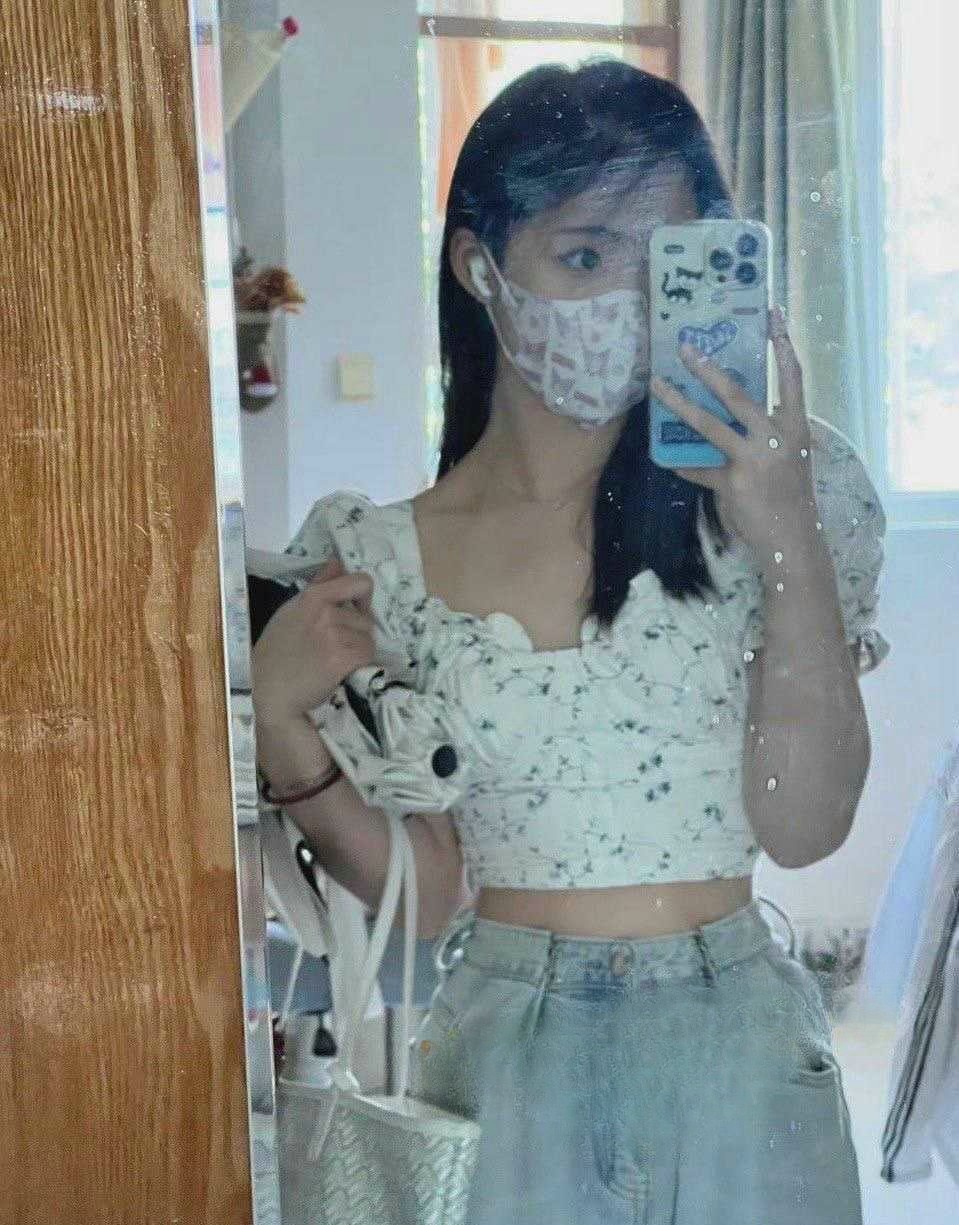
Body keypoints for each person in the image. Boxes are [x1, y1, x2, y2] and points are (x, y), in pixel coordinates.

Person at [253, 61, 884, 1224]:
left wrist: (785, 532)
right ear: (479, 266)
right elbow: (429, 894)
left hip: (737, 1044)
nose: (627, 302)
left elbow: (805, 825)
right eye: (586, 256)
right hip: (508, 1052)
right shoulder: (381, 556)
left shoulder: (784, 494)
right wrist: (287, 725)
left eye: (666, 261)